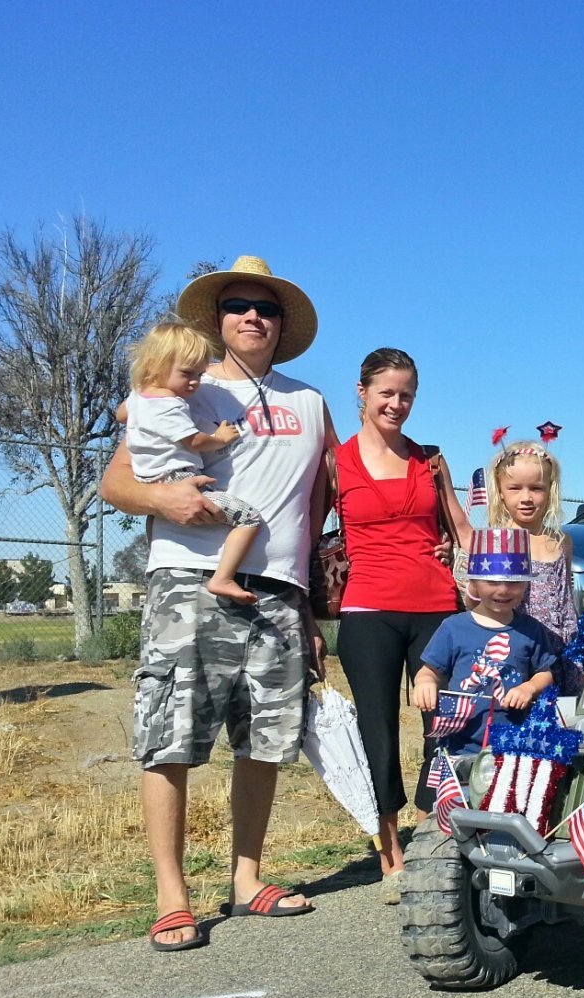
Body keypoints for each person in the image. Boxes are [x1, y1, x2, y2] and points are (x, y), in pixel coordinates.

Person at [101, 255, 331, 950]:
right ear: (218, 319)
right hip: (187, 580)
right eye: (236, 304)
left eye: (265, 306)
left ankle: (246, 876)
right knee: (169, 735)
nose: (251, 316)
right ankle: (172, 895)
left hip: (278, 591)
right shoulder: (181, 388)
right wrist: (161, 496)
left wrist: (314, 605)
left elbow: (320, 502)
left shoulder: (310, 402)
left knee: (264, 738)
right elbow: (116, 482)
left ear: (282, 323)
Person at [333, 347, 467, 904]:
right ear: (361, 393)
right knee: (378, 728)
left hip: (436, 604)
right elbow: (305, 530)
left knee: (448, 721)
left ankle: (433, 827)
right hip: (367, 609)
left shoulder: (430, 460)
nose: (396, 403)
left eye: (406, 394)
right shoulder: (333, 463)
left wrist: (471, 552)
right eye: (386, 392)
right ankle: (388, 847)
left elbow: (460, 527)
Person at [120, 319, 263, 605]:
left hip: (150, 478)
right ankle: (223, 577)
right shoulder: (168, 404)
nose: (195, 382)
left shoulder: (140, 398)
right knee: (249, 517)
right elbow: (194, 441)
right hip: (178, 477)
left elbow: (120, 414)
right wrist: (221, 438)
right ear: (156, 365)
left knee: (157, 521)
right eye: (187, 374)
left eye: (199, 373)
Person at [411, 529, 559, 761]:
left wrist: (528, 688)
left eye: (514, 582)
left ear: (525, 584)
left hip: (513, 743)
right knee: (461, 797)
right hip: (460, 744)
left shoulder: (531, 630)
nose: (503, 590)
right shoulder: (453, 627)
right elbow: (430, 671)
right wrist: (425, 683)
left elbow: (545, 674)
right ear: (474, 582)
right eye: (491, 581)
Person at [486, 439, 582, 696]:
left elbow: (565, 598)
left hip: (563, 648)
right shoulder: (497, 541)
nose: (526, 498)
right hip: (520, 648)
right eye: (515, 488)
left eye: (536, 488)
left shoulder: (562, 541)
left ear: (550, 489)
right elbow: (479, 602)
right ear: (500, 490)